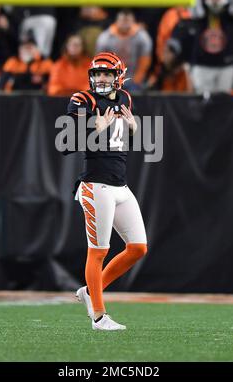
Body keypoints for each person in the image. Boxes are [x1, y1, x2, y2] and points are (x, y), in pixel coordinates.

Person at [61, 52, 147, 330]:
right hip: (96, 184)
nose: (101, 78)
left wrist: (134, 128)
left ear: (118, 76)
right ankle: (98, 316)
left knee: (137, 248)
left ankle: (89, 290)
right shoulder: (82, 100)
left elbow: (122, 138)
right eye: (97, 74)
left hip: (120, 185)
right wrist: (92, 127)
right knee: (99, 251)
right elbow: (65, 143)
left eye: (107, 74)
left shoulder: (126, 99)